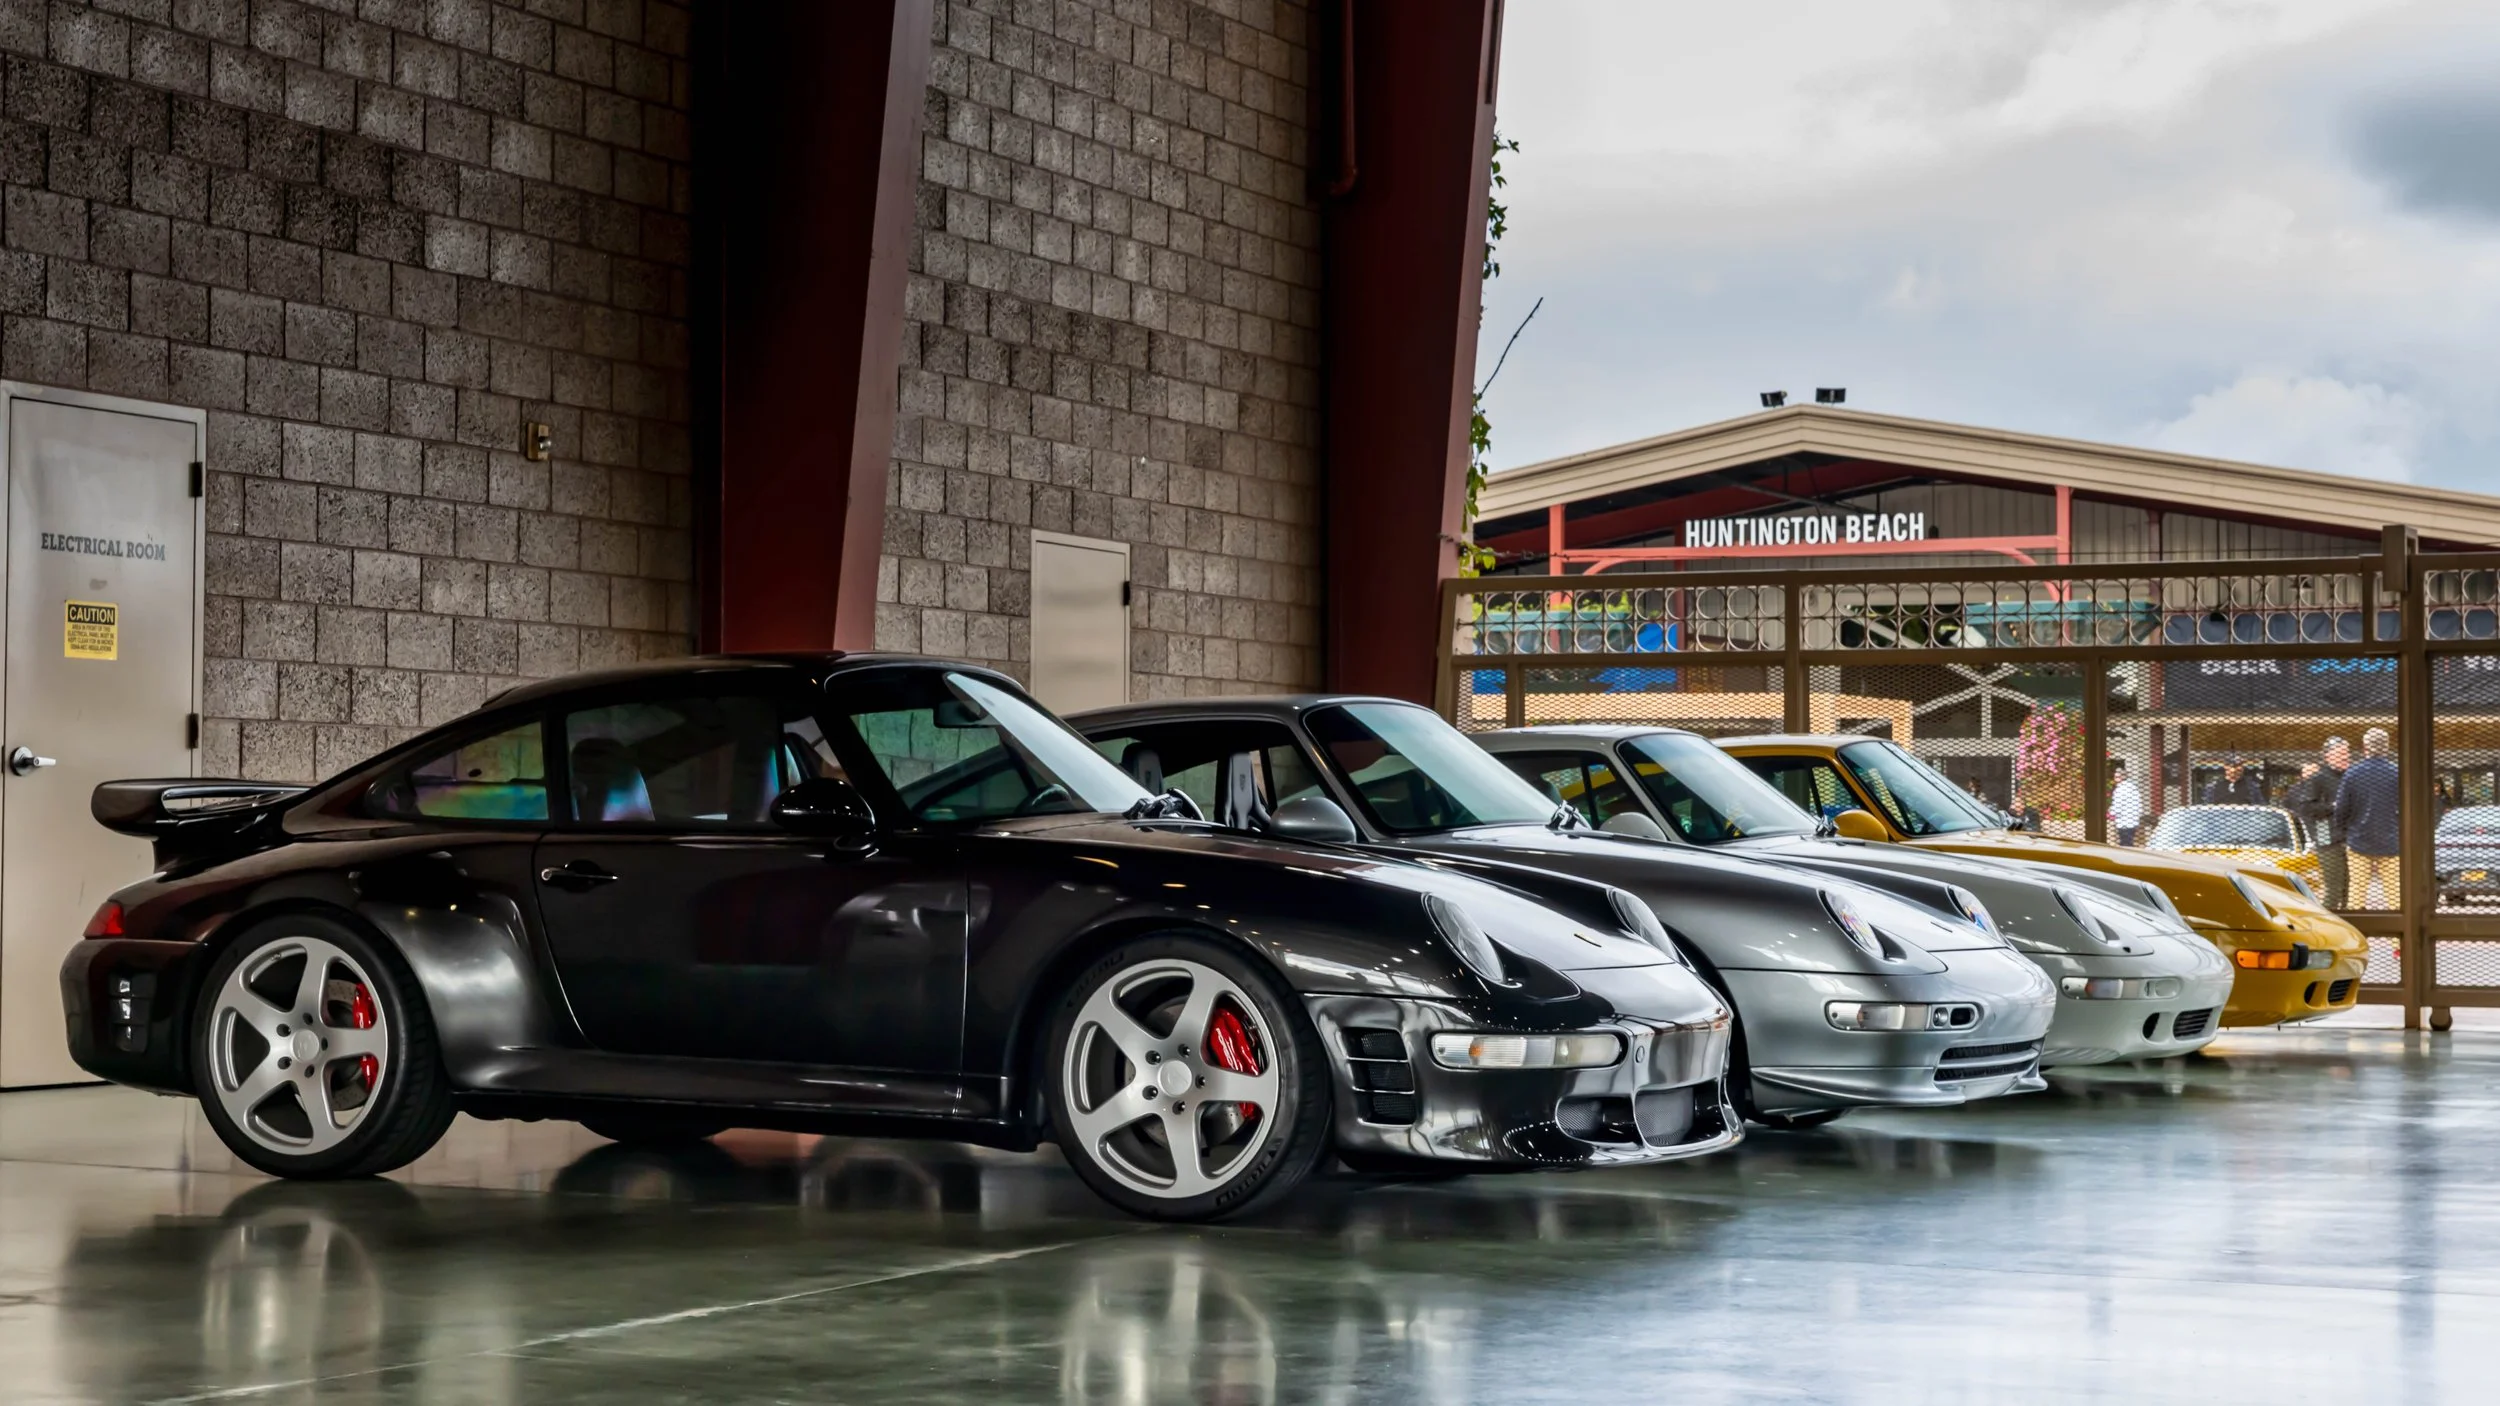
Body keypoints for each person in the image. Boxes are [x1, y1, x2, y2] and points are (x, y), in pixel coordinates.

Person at [2333, 728, 2401, 910]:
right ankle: (2399, 938)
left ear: (2365, 748)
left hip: (2358, 840)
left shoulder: (2352, 774)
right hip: (2391, 841)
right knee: (2395, 894)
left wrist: (2343, 830)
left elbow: (2341, 808)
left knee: (2357, 892)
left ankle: (2358, 934)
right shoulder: (2397, 773)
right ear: (2387, 748)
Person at [2287, 737, 2349, 909]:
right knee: (2334, 888)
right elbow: (2306, 808)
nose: (2346, 757)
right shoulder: (2318, 779)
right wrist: (2333, 807)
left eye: (2347, 752)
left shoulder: (2350, 776)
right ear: (2328, 756)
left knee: (2349, 889)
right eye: (2341, 753)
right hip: (2327, 838)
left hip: (2349, 838)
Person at [2202, 757, 2266, 806]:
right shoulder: (2213, 787)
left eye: (2239, 765)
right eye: (2232, 766)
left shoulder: (2252, 786)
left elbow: (2261, 806)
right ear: (2225, 767)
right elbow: (2207, 808)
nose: (2235, 769)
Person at [2107, 760, 2144, 846]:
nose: (2115, 779)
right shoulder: (2134, 788)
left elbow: (2117, 806)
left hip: (2124, 821)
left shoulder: (2120, 790)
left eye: (2116, 777)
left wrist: (2110, 812)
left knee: (2125, 844)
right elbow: (2139, 806)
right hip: (2133, 821)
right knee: (2128, 842)